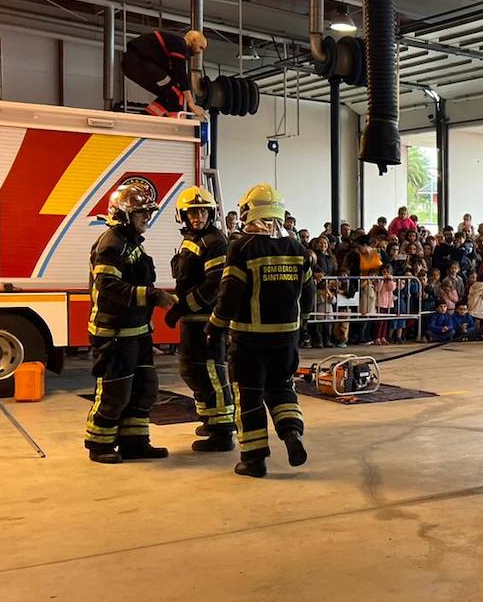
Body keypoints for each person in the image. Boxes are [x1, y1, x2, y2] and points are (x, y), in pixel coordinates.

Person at [210, 183, 314, 479]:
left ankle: (254, 460)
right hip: (287, 339)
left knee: (249, 397)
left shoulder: (241, 246)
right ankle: (291, 432)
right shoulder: (297, 248)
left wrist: (214, 326)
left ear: (248, 212)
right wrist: (302, 323)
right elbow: (309, 293)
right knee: (282, 388)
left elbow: (230, 293)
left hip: (249, 340)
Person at [83, 184, 177, 463]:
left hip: (136, 332)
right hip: (113, 332)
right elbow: (109, 286)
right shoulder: (110, 243)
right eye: (141, 213)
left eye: (147, 213)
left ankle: (134, 442)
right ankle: (99, 444)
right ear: (124, 215)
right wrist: (152, 295)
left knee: (145, 386)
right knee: (116, 390)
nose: (146, 218)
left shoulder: (131, 242)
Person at [163, 185, 234, 452]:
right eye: (193, 212)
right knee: (191, 370)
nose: (198, 217)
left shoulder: (215, 242)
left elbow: (214, 285)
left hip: (207, 320)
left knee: (211, 373)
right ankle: (210, 418)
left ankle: (223, 431)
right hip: (193, 319)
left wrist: (182, 307)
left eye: (203, 211)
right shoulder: (193, 238)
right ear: (184, 215)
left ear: (211, 213)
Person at [121, 28, 207, 118]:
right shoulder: (180, 44)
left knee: (170, 94)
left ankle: (146, 117)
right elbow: (181, 74)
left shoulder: (173, 44)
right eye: (200, 47)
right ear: (193, 40)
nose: (200, 52)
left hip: (132, 64)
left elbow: (176, 75)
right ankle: (172, 125)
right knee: (177, 95)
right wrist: (191, 103)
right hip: (140, 62)